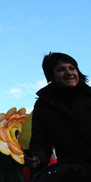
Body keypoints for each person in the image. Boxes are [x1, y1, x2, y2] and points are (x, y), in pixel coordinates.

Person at [23, 52, 91, 180]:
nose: (69, 73)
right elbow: (41, 141)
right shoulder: (44, 105)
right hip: (72, 172)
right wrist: (37, 158)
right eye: (61, 70)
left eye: (72, 68)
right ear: (51, 75)